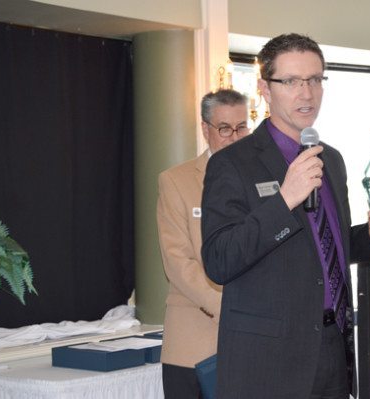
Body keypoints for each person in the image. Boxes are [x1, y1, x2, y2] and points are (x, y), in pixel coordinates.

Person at [201, 33, 370, 399]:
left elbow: (321, 249)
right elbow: (219, 259)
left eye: (315, 79)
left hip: (333, 348)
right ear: (265, 87)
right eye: (291, 81)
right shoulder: (232, 163)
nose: (306, 93)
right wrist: (284, 201)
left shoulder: (331, 160)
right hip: (269, 363)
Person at [156, 89, 249, 399]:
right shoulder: (176, 180)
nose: (235, 137)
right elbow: (177, 262)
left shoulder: (267, 183)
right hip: (193, 343)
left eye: (241, 127)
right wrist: (229, 307)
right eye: (224, 129)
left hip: (253, 341)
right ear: (205, 129)